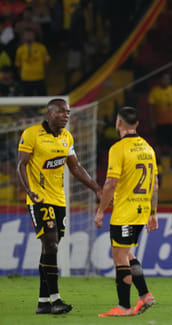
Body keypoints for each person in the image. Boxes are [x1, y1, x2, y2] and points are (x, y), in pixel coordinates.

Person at [17, 98, 102, 314]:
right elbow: (21, 165)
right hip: (39, 199)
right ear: (50, 113)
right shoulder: (31, 134)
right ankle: (56, 300)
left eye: (68, 112)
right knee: (52, 244)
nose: (66, 115)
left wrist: (96, 189)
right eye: (62, 112)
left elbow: (76, 167)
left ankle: (43, 302)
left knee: (49, 248)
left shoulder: (67, 137)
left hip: (59, 200)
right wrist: (30, 191)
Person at [94, 106, 158, 317]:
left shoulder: (118, 148)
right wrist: (153, 212)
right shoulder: (148, 148)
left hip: (125, 211)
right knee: (127, 253)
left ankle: (123, 307)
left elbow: (111, 182)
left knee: (119, 256)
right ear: (137, 124)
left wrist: (101, 210)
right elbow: (154, 184)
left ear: (118, 123)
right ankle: (145, 295)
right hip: (141, 211)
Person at [148, 72, 172, 170]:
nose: (166, 81)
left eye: (167, 79)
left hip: (171, 122)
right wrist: (152, 121)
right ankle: (158, 163)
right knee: (158, 144)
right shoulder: (155, 91)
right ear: (161, 80)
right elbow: (151, 108)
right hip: (159, 123)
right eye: (164, 79)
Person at [15, 27, 49, 96]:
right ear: (23, 36)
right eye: (26, 35)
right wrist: (21, 75)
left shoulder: (41, 47)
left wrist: (43, 73)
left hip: (39, 77)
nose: (28, 36)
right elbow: (18, 65)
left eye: (30, 34)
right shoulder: (20, 49)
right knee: (28, 99)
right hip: (25, 78)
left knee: (43, 98)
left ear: (34, 36)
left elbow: (46, 62)